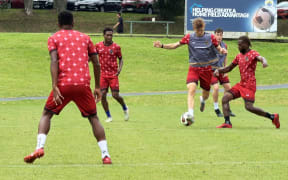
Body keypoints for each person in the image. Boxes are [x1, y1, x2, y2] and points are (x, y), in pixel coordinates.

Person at [24, 11, 112, 164]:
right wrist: (97, 86)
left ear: (58, 24)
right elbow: (96, 63)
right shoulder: (85, 38)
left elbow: (54, 61)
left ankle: (40, 147)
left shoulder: (53, 38)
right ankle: (105, 155)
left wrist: (54, 85)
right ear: (73, 22)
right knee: (93, 118)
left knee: (47, 114)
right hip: (83, 84)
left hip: (63, 85)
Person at [153, 18, 227, 125]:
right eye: (198, 31)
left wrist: (222, 50)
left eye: (201, 30)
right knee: (191, 88)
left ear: (203, 28)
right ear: (194, 29)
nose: (200, 33)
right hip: (194, 68)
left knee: (206, 94)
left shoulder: (210, 37)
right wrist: (162, 46)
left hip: (206, 70)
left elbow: (218, 48)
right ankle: (190, 113)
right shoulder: (189, 37)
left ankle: (202, 99)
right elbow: (175, 45)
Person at [214, 36, 280, 128]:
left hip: (250, 84)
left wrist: (264, 61)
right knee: (225, 98)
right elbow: (229, 68)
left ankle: (273, 117)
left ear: (247, 44)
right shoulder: (239, 56)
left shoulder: (253, 53)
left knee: (249, 107)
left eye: (240, 45)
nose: (239, 47)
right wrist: (219, 71)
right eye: (238, 45)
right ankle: (227, 123)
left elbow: (261, 58)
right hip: (241, 84)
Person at [95, 27, 129, 123]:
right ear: (104, 35)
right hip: (102, 74)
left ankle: (125, 107)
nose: (109, 37)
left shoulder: (116, 47)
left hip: (113, 74)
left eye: (111, 35)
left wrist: (119, 68)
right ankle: (109, 116)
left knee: (115, 95)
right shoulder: (98, 46)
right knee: (103, 95)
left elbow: (121, 59)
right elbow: (92, 56)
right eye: (108, 35)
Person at [210, 28, 235, 117]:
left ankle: (226, 107)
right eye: (217, 34)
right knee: (216, 88)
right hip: (212, 70)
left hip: (221, 70)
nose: (219, 36)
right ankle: (216, 109)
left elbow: (225, 57)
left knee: (228, 88)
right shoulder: (211, 45)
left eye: (221, 35)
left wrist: (226, 69)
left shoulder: (225, 45)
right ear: (214, 35)